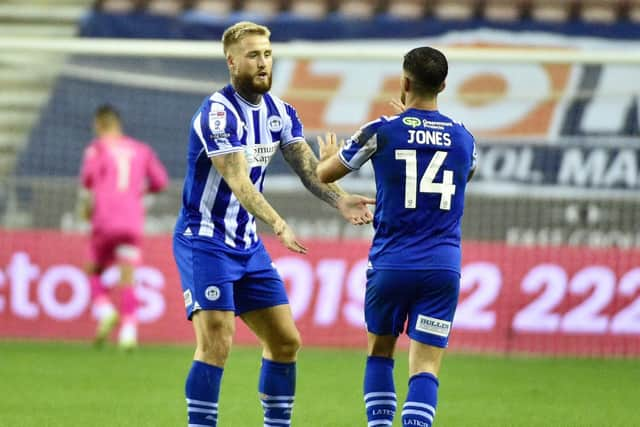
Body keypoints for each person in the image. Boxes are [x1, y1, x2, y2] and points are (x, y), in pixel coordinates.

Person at [172, 21, 374, 427]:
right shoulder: (216, 114)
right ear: (232, 61)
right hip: (205, 241)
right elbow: (238, 181)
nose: (263, 63)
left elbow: (307, 170)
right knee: (217, 340)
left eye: (267, 54)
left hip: (246, 245)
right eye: (253, 55)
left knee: (285, 341)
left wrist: (339, 197)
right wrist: (279, 223)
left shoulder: (281, 113)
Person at [317, 46, 477, 427]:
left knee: (380, 353)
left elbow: (325, 174)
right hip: (442, 267)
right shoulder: (463, 138)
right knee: (425, 366)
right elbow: (462, 175)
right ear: (444, 85)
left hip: (391, 264)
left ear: (404, 82)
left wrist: (329, 154)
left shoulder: (381, 130)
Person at [79, 104, 169, 349]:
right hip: (131, 221)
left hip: (105, 219)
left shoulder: (96, 149)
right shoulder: (141, 149)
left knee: (92, 267)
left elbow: (87, 186)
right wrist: (140, 192)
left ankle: (106, 309)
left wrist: (86, 211)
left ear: (99, 124)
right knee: (128, 275)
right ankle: (129, 332)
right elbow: (161, 181)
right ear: (118, 124)